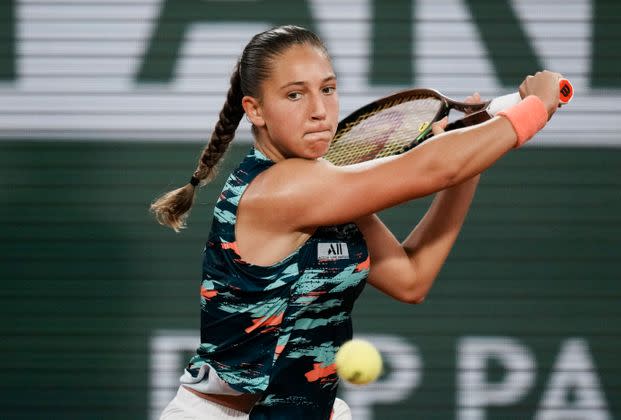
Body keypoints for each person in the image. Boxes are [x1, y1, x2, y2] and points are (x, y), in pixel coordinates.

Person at [151, 25, 562, 420]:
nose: (319, 110)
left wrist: (472, 164)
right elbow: (433, 168)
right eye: (295, 95)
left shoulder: (327, 187)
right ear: (254, 110)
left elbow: (411, 279)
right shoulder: (280, 189)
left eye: (327, 89)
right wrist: (535, 109)